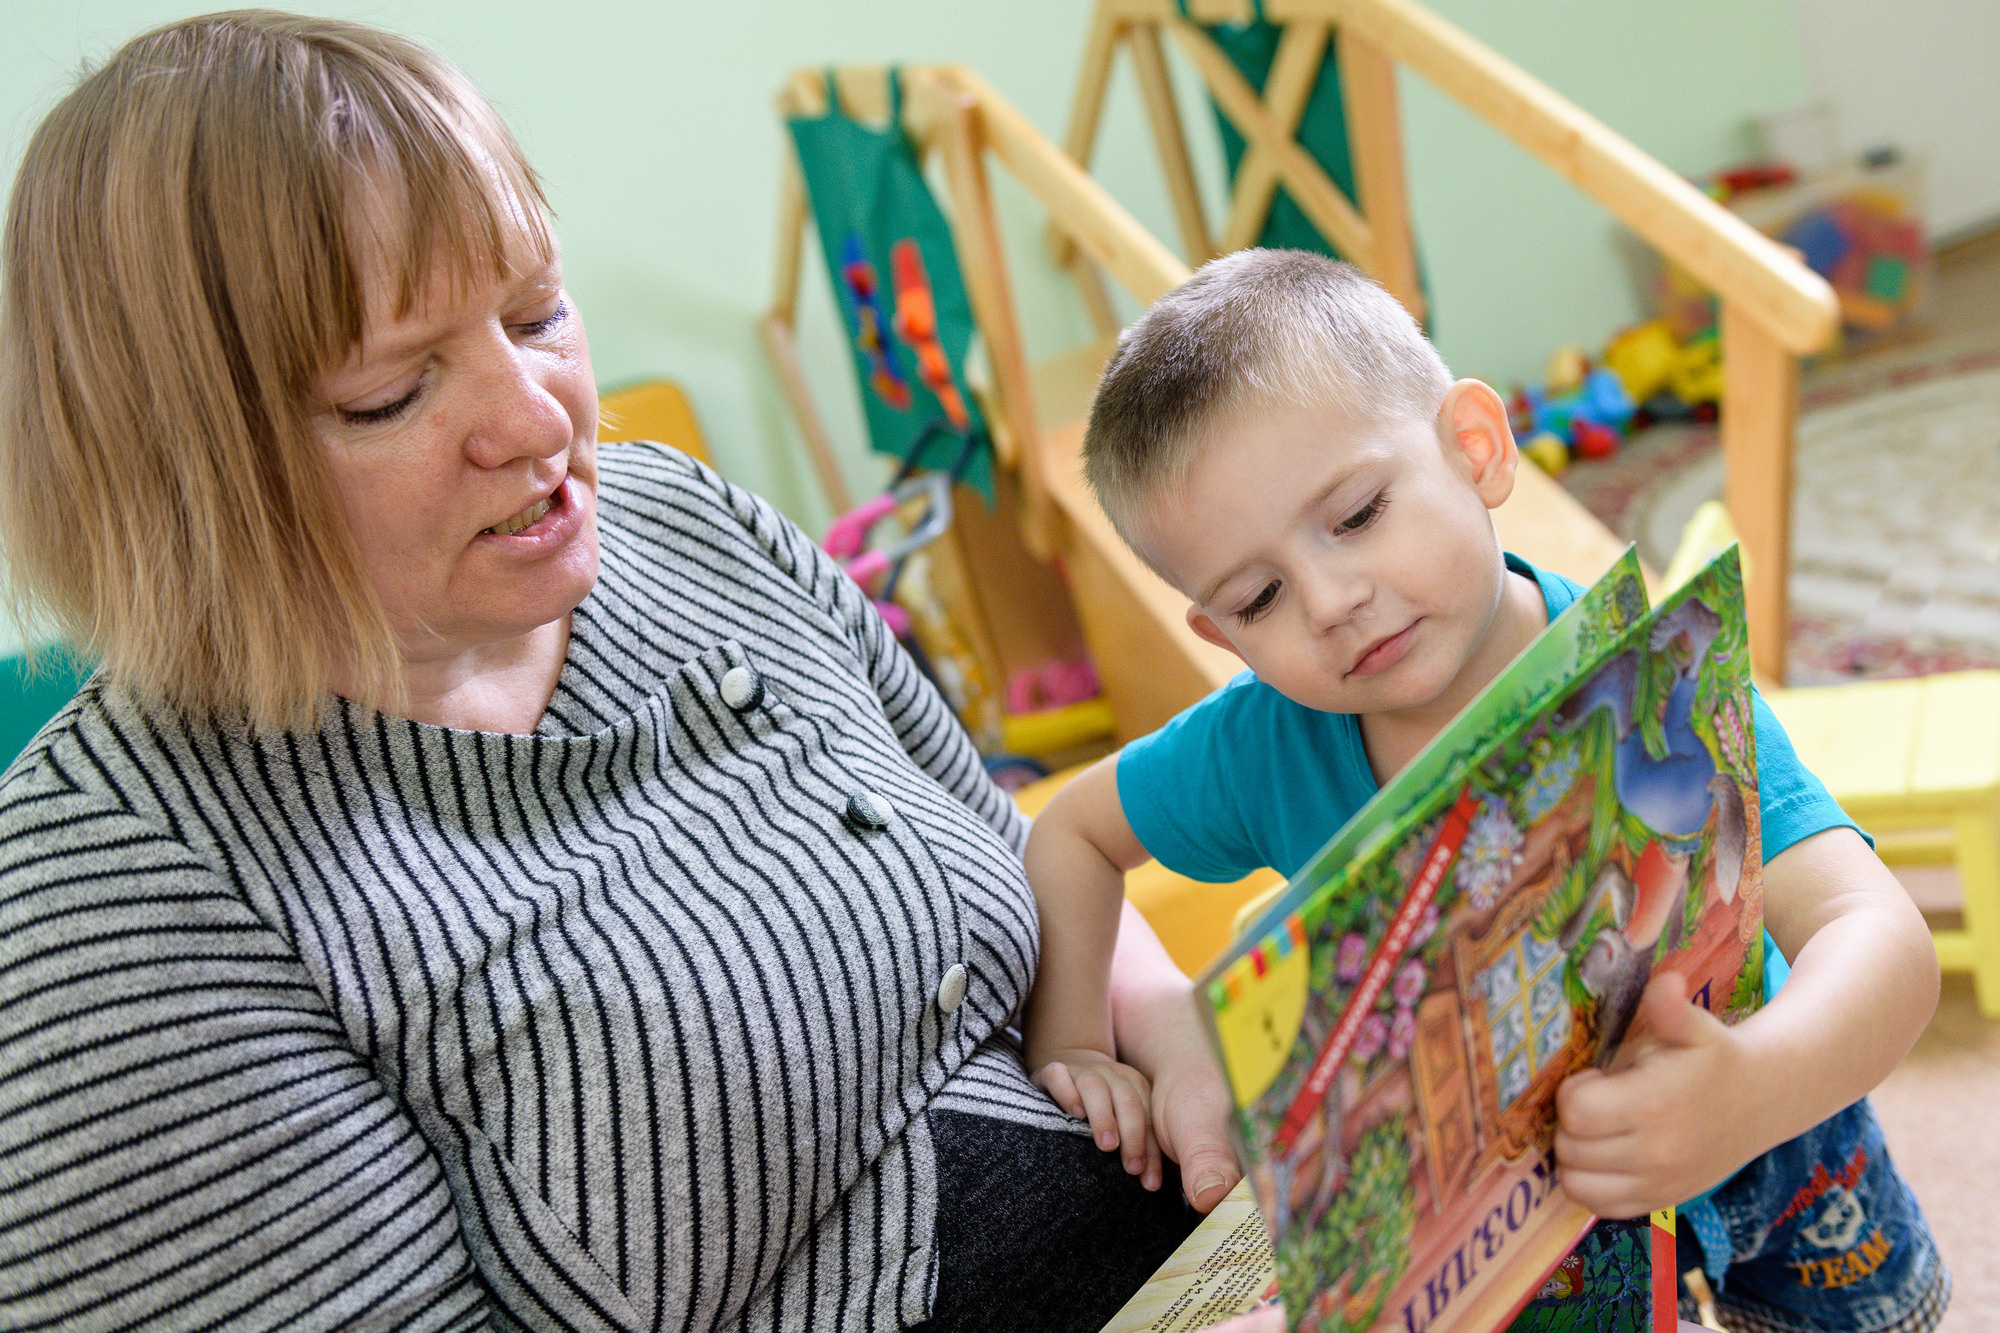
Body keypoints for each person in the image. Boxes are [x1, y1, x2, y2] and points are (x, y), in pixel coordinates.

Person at [0, 13, 1256, 1331]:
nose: (538, 417)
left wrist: (1166, 1022)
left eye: (536, 312)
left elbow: (1010, 858)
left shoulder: (678, 516)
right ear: (186, 479)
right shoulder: (109, 916)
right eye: (392, 394)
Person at [1022, 249, 1951, 1333]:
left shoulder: (1650, 676)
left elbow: (1878, 933)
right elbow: (1071, 831)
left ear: (1474, 447)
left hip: (1771, 1119)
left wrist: (1753, 1087)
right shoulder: (1254, 746)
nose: (1328, 600)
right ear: (1222, 634)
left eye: (1356, 515)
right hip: (1524, 1220)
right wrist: (1072, 1043)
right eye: (1258, 596)